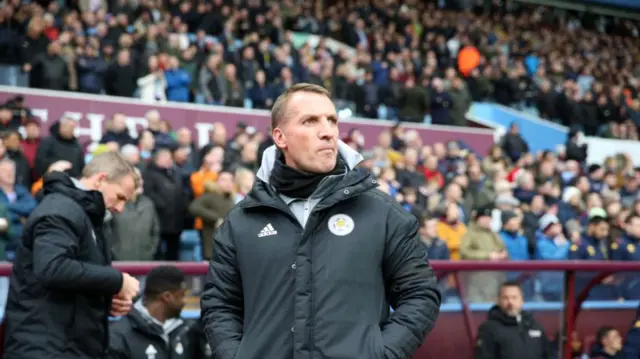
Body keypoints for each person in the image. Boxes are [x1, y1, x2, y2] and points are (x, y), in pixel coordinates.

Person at [200, 83, 441, 359]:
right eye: (310, 121)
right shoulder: (241, 221)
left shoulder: (382, 213)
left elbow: (420, 294)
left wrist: (381, 354)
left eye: (332, 120)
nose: (328, 132)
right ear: (280, 137)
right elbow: (220, 306)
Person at [3, 152, 141, 359]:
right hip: (45, 347)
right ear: (101, 179)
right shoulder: (60, 209)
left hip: (69, 344)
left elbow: (74, 278)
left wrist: (103, 298)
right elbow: (52, 268)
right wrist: (117, 281)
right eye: (120, 197)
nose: (121, 208)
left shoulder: (90, 216)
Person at [109, 265, 211, 359]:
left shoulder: (187, 332)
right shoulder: (119, 336)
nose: (185, 301)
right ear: (167, 297)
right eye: (182, 295)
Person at [474, 281, 552, 359]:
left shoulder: (535, 326)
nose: (510, 302)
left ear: (522, 300)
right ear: (498, 301)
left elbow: (547, 354)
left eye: (514, 298)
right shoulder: (489, 328)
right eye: (505, 298)